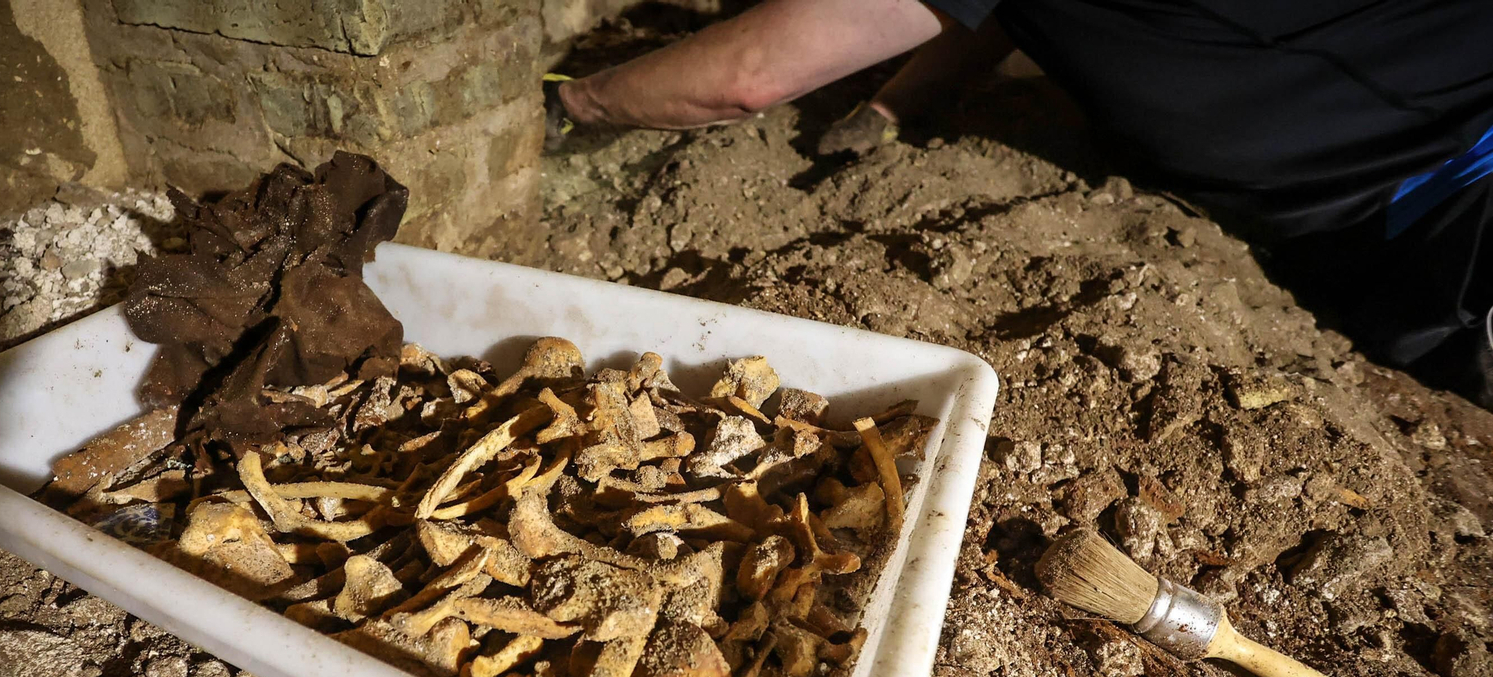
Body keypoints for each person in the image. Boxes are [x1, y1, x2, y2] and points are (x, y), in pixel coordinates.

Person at [544, 0, 1493, 408]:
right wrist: (893, 103)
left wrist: (575, 101)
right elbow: (994, 7)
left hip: (1448, 220)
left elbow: (750, 75)